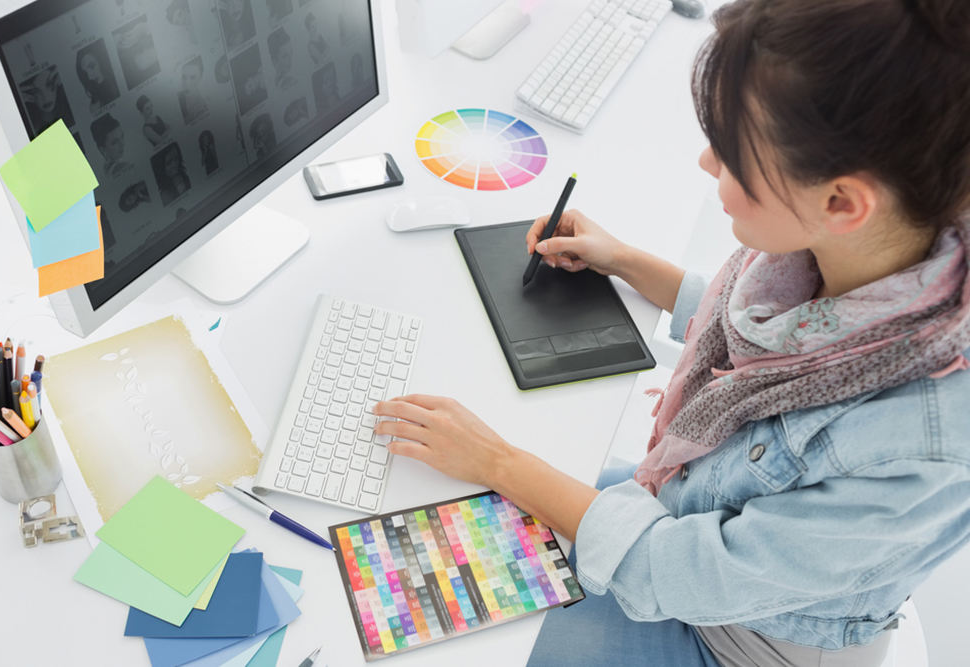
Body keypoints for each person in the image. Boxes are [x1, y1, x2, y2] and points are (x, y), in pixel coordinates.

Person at [371, 1, 970, 665]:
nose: (707, 161)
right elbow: (773, 337)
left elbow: (675, 571)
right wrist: (623, 260)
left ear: (841, 203)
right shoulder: (884, 247)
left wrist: (498, 460)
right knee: (443, 524)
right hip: (681, 508)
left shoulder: (923, 444)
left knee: (436, 634)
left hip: (734, 633)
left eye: (734, 151)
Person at [75, 41, 119, 112]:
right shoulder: (95, 106)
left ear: (101, 61)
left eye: (91, 66)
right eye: (85, 73)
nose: (89, 76)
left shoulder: (120, 80)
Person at [90, 113, 133, 179]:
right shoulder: (123, 166)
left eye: (122, 137)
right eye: (114, 142)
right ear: (103, 150)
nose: (122, 144)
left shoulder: (106, 169)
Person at [178, 57, 208, 124]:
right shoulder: (178, 99)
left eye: (193, 77)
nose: (187, 82)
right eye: (184, 77)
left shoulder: (209, 96)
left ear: (201, 77)